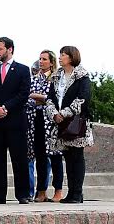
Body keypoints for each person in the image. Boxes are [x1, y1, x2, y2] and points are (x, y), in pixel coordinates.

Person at [0, 36, 31, 204]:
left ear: (10, 49)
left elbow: (23, 94)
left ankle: (23, 194)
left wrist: (6, 108)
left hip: (15, 122)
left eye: (0, 49)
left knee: (19, 160)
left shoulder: (23, 70)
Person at [46, 46, 93, 204]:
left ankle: (77, 193)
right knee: (67, 157)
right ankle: (71, 193)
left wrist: (65, 113)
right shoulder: (57, 76)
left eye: (63, 55)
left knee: (77, 157)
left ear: (72, 57)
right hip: (60, 123)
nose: (60, 57)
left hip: (76, 122)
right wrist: (53, 113)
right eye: (60, 54)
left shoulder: (82, 76)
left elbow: (83, 99)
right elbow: (50, 98)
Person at [28, 50, 63, 202]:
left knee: (55, 156)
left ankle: (58, 190)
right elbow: (28, 97)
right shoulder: (34, 79)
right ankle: (41, 191)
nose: (41, 61)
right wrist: (40, 98)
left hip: (52, 122)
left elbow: (54, 99)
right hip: (36, 120)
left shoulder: (57, 79)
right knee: (40, 156)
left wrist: (40, 97)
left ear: (51, 62)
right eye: (40, 59)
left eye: (44, 59)